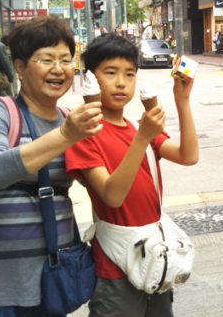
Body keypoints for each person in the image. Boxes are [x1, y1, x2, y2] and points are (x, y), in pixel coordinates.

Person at [0, 16, 104, 314]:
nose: (58, 69)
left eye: (66, 60)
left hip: (56, 277)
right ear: (20, 66)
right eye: (46, 59)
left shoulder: (69, 118)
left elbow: (105, 187)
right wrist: (65, 136)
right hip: (0, 284)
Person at [64, 34, 199, 316]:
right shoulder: (86, 133)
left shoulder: (138, 127)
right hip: (115, 267)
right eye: (110, 73)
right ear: (91, 78)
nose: (121, 82)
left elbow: (188, 156)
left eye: (129, 74)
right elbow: (112, 196)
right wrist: (142, 138)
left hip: (156, 260)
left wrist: (182, 100)